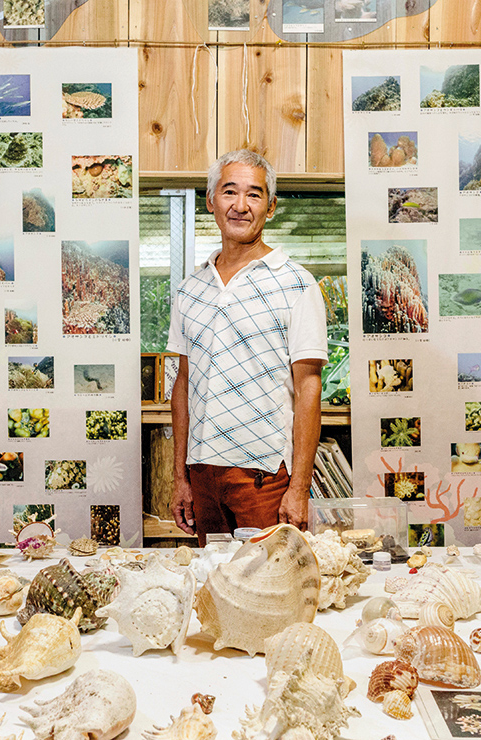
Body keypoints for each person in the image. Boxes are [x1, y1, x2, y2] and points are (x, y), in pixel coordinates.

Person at [167, 149, 328, 545]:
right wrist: (179, 479)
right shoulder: (191, 289)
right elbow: (183, 385)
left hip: (264, 478)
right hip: (202, 474)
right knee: (215, 590)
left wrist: (299, 488)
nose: (241, 206)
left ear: (270, 207)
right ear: (210, 201)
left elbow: (309, 387)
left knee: (271, 590)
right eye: (229, 192)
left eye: (254, 195)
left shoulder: (297, 283)